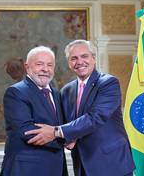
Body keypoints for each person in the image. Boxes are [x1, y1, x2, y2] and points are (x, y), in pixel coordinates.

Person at [25, 40, 135, 176]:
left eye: (84, 56)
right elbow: (64, 123)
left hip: (112, 163)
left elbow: (96, 117)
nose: (79, 62)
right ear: (69, 63)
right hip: (82, 164)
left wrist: (55, 132)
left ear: (94, 58)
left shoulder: (108, 83)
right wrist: (66, 139)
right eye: (74, 58)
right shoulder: (66, 90)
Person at [0, 46, 67, 176]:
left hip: (56, 169)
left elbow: (61, 125)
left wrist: (61, 132)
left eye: (50, 65)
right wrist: (65, 136)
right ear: (27, 67)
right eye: (39, 64)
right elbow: (29, 133)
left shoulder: (56, 94)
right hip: (26, 169)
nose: (45, 69)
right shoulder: (16, 92)